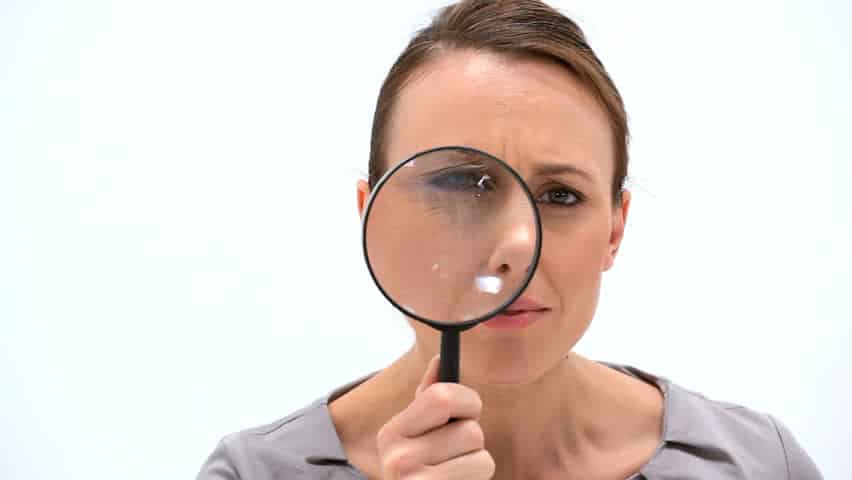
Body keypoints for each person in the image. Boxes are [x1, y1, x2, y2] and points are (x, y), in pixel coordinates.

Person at [196, 1, 822, 478]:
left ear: (615, 229)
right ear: (373, 217)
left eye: (560, 196)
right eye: (460, 185)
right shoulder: (254, 473)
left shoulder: (757, 463)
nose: (515, 245)